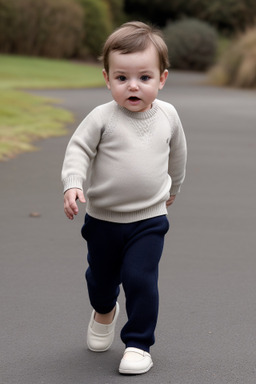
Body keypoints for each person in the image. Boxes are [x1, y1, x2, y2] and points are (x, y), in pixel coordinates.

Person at [61, 21, 187, 375]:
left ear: (161, 79)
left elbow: (177, 156)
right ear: (107, 78)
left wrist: (173, 188)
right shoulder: (102, 118)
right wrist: (72, 183)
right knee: (101, 280)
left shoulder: (169, 116)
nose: (133, 86)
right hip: (102, 220)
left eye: (144, 78)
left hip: (149, 219)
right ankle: (104, 311)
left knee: (140, 278)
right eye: (122, 78)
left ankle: (138, 343)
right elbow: (78, 151)